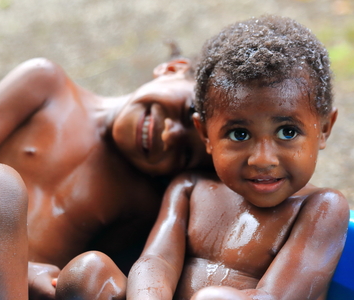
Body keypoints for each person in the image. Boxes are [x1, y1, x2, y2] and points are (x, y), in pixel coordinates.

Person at [0, 46, 211, 299]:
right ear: (173, 69)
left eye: (184, 154)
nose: (170, 135)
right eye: (186, 111)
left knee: (98, 275)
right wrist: (23, 270)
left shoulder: (143, 203)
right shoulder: (45, 84)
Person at [125, 15, 350, 300]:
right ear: (205, 134)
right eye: (240, 135)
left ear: (324, 130)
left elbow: (275, 297)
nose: (262, 159)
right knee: (89, 270)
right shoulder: (189, 189)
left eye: (288, 132)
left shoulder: (321, 208)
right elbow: (155, 262)